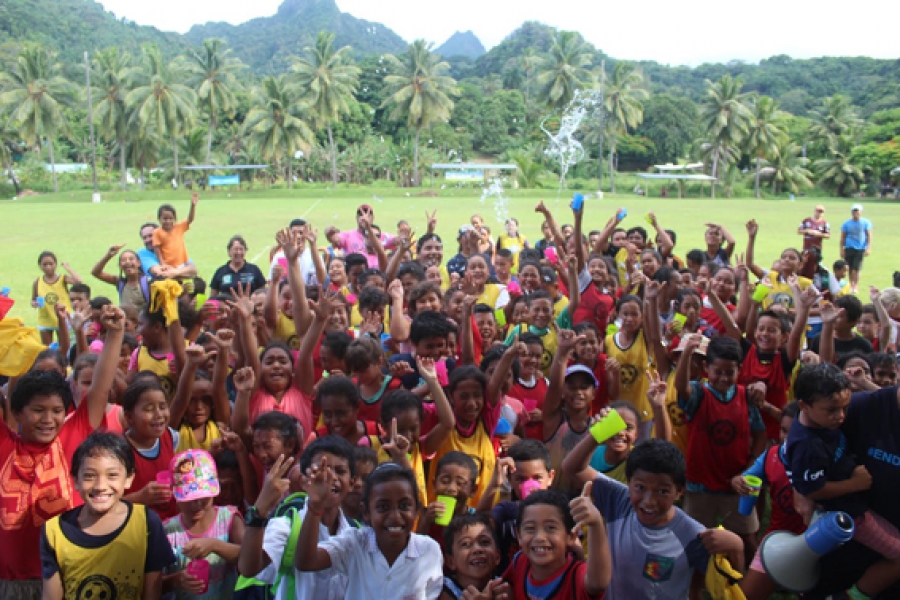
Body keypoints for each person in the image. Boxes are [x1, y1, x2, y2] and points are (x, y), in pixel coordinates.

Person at [0, 306, 123, 599]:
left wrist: (115, 333)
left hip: (69, 576)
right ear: (17, 412)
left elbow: (99, 390)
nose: (48, 419)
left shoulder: (73, 435)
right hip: (11, 583)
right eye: (38, 411)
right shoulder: (5, 445)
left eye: (56, 410)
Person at [787, 363, 900, 600]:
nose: (840, 416)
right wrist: (805, 490)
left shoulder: (831, 414)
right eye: (833, 410)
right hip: (848, 524)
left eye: (843, 409)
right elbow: (805, 473)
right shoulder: (855, 412)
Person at [589, 439, 742, 599]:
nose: (649, 501)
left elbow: (728, 586)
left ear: (679, 491)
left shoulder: (693, 536)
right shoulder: (620, 500)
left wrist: (736, 547)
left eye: (662, 491)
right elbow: (572, 468)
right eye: (640, 487)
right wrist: (595, 435)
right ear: (629, 482)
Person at [40, 432, 175, 600]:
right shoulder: (54, 532)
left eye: (112, 475)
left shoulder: (146, 523)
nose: (100, 486)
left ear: (129, 478)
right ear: (75, 480)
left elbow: (152, 593)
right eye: (89, 476)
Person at [295, 462, 444, 599]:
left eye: (404, 506)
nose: (395, 517)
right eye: (383, 507)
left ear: (417, 510)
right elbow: (306, 562)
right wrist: (315, 506)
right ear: (366, 512)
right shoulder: (354, 543)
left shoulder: (429, 550)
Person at [502, 487, 611, 599]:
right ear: (519, 535)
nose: (540, 537)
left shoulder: (577, 575)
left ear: (571, 536)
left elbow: (598, 583)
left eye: (550, 528)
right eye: (530, 528)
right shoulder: (519, 562)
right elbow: (504, 588)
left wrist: (596, 523)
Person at [163, 448, 244, 599]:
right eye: (189, 499)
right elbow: (153, 583)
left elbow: (248, 557)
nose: (197, 504)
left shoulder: (229, 519)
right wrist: (175, 580)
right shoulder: (168, 531)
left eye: (203, 496)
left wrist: (215, 545)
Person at [32, 250, 82, 345]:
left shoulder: (62, 278)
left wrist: (67, 268)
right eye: (44, 264)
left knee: (65, 346)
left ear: (56, 264)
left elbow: (79, 281)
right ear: (40, 266)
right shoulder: (37, 282)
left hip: (63, 318)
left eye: (51, 264)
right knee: (46, 348)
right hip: (45, 319)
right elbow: (33, 299)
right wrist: (34, 303)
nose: (48, 267)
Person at [152, 194, 199, 279]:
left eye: (171, 218)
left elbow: (190, 220)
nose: (168, 221)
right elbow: (157, 249)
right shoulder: (157, 232)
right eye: (165, 219)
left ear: (174, 219)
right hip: (169, 265)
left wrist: (193, 206)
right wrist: (162, 263)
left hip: (182, 263)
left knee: (191, 274)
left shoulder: (179, 228)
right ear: (159, 219)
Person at [336, 204, 397, 269]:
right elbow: (336, 240)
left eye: (368, 215)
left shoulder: (382, 235)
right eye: (361, 215)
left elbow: (397, 241)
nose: (364, 217)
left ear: (373, 217)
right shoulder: (348, 236)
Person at [268, 219, 321, 286]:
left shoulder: (314, 256)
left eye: (301, 233)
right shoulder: (279, 256)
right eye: (294, 233)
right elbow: (271, 281)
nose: (298, 236)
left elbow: (322, 280)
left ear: (307, 234)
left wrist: (313, 244)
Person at [840, 204, 873, 294]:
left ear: (861, 212)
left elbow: (869, 236)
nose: (855, 213)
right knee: (849, 268)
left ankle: (856, 285)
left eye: (857, 211)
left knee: (856, 268)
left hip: (860, 248)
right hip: (849, 247)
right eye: (854, 211)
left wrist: (868, 247)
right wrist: (842, 249)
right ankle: (851, 284)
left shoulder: (866, 222)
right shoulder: (846, 223)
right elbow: (843, 237)